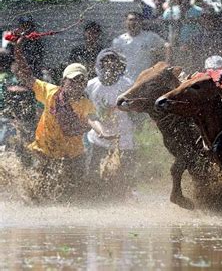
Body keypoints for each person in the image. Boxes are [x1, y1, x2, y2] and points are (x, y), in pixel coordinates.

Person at [11, 38, 112, 189]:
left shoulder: (85, 104)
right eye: (73, 81)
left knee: (74, 191)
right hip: (44, 151)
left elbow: (92, 119)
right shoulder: (50, 92)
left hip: (72, 156)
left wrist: (102, 132)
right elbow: (26, 76)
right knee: (38, 188)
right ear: (64, 81)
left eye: (81, 81)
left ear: (85, 84)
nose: (77, 85)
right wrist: (18, 48)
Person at [85, 48, 135, 184]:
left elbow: (136, 111)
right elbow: (87, 113)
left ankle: (123, 201)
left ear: (118, 65)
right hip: (98, 138)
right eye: (104, 61)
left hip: (123, 138)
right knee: (94, 175)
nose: (109, 65)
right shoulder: (90, 85)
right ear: (98, 65)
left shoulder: (128, 85)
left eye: (112, 61)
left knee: (124, 177)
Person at [112, 12, 166, 82]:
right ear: (126, 22)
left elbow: (167, 47)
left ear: (141, 22)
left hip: (145, 79)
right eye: (131, 20)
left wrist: (164, 66)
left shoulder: (150, 37)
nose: (133, 22)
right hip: (125, 80)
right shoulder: (119, 41)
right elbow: (114, 60)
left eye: (136, 20)